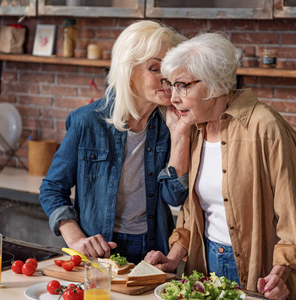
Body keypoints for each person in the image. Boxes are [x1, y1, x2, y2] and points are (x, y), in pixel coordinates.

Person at [144, 32, 296, 300]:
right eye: (171, 85)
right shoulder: (196, 128)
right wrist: (174, 257)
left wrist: (280, 274)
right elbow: (192, 211)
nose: (173, 97)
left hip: (257, 273)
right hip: (204, 265)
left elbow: (293, 221)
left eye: (183, 85)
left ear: (215, 85)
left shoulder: (266, 129)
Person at [39, 20, 190, 264]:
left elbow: (174, 197)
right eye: (154, 68)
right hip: (97, 251)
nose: (167, 78)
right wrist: (76, 240)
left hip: (153, 250)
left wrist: (181, 134)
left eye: (169, 68)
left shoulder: (172, 124)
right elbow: (52, 189)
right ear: (129, 73)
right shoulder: (87, 121)